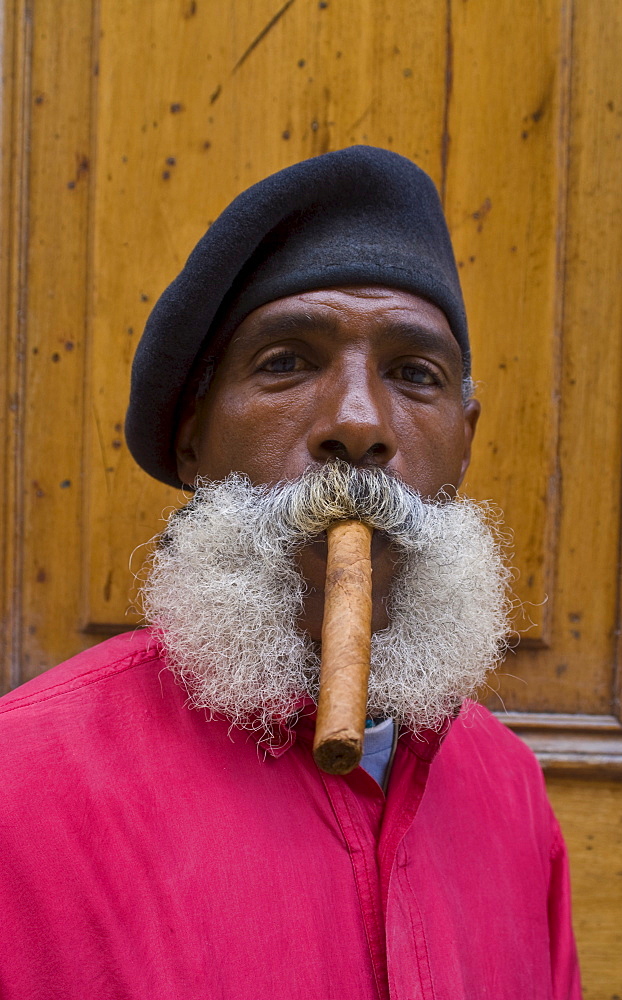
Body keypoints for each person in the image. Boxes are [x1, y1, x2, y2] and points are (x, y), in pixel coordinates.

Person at [0, 146, 581, 998]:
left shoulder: (511, 792)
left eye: (413, 375)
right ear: (194, 436)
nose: (357, 423)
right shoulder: (21, 787)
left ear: (465, 437)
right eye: (286, 362)